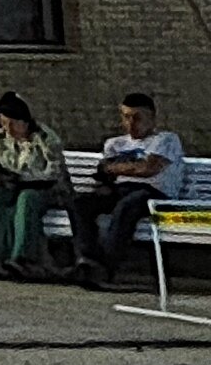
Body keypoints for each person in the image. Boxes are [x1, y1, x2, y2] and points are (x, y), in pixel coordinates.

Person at [71, 93, 189, 288]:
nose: (131, 123)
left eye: (137, 118)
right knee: (81, 203)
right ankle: (88, 260)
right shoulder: (115, 143)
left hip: (155, 195)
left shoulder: (166, 140)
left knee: (128, 205)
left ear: (151, 118)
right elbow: (105, 171)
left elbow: (148, 169)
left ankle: (106, 267)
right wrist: (112, 175)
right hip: (120, 190)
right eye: (126, 117)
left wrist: (115, 168)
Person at [0, 94, 66, 279]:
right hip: (11, 186)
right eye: (3, 123)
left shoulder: (45, 138)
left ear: (23, 121)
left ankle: (23, 257)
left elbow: (54, 173)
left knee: (26, 199)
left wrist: (24, 178)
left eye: (11, 123)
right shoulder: (0, 137)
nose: (7, 129)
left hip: (44, 189)